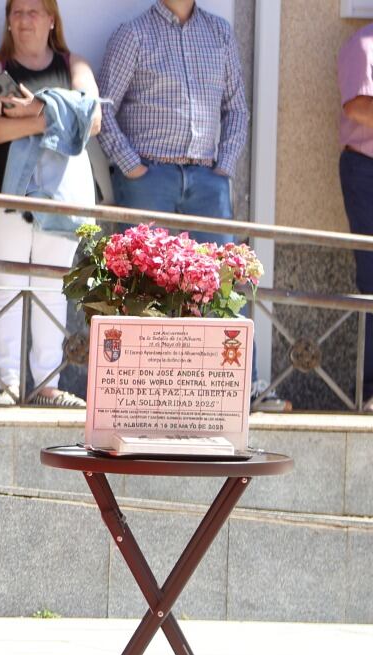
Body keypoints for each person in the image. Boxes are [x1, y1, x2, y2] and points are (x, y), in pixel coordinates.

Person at [98, 0, 286, 411]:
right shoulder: (133, 34)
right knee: (143, 282)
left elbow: (236, 108)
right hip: (150, 178)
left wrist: (224, 168)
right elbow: (103, 108)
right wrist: (132, 168)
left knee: (224, 280)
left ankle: (239, 390)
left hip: (207, 180)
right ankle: (136, 390)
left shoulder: (218, 32)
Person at [0, 0, 97, 408]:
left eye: (34, 11)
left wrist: (30, 110)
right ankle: (7, 385)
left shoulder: (74, 65)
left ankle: (47, 385)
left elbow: (93, 117)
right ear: (8, 22)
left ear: (51, 20)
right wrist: (50, 118)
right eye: (17, 11)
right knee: (6, 287)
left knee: (51, 288)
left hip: (61, 200)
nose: (24, 19)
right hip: (7, 197)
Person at [339, 21, 373, 408]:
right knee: (372, 278)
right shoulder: (364, 44)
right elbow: (358, 107)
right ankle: (370, 390)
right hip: (366, 170)